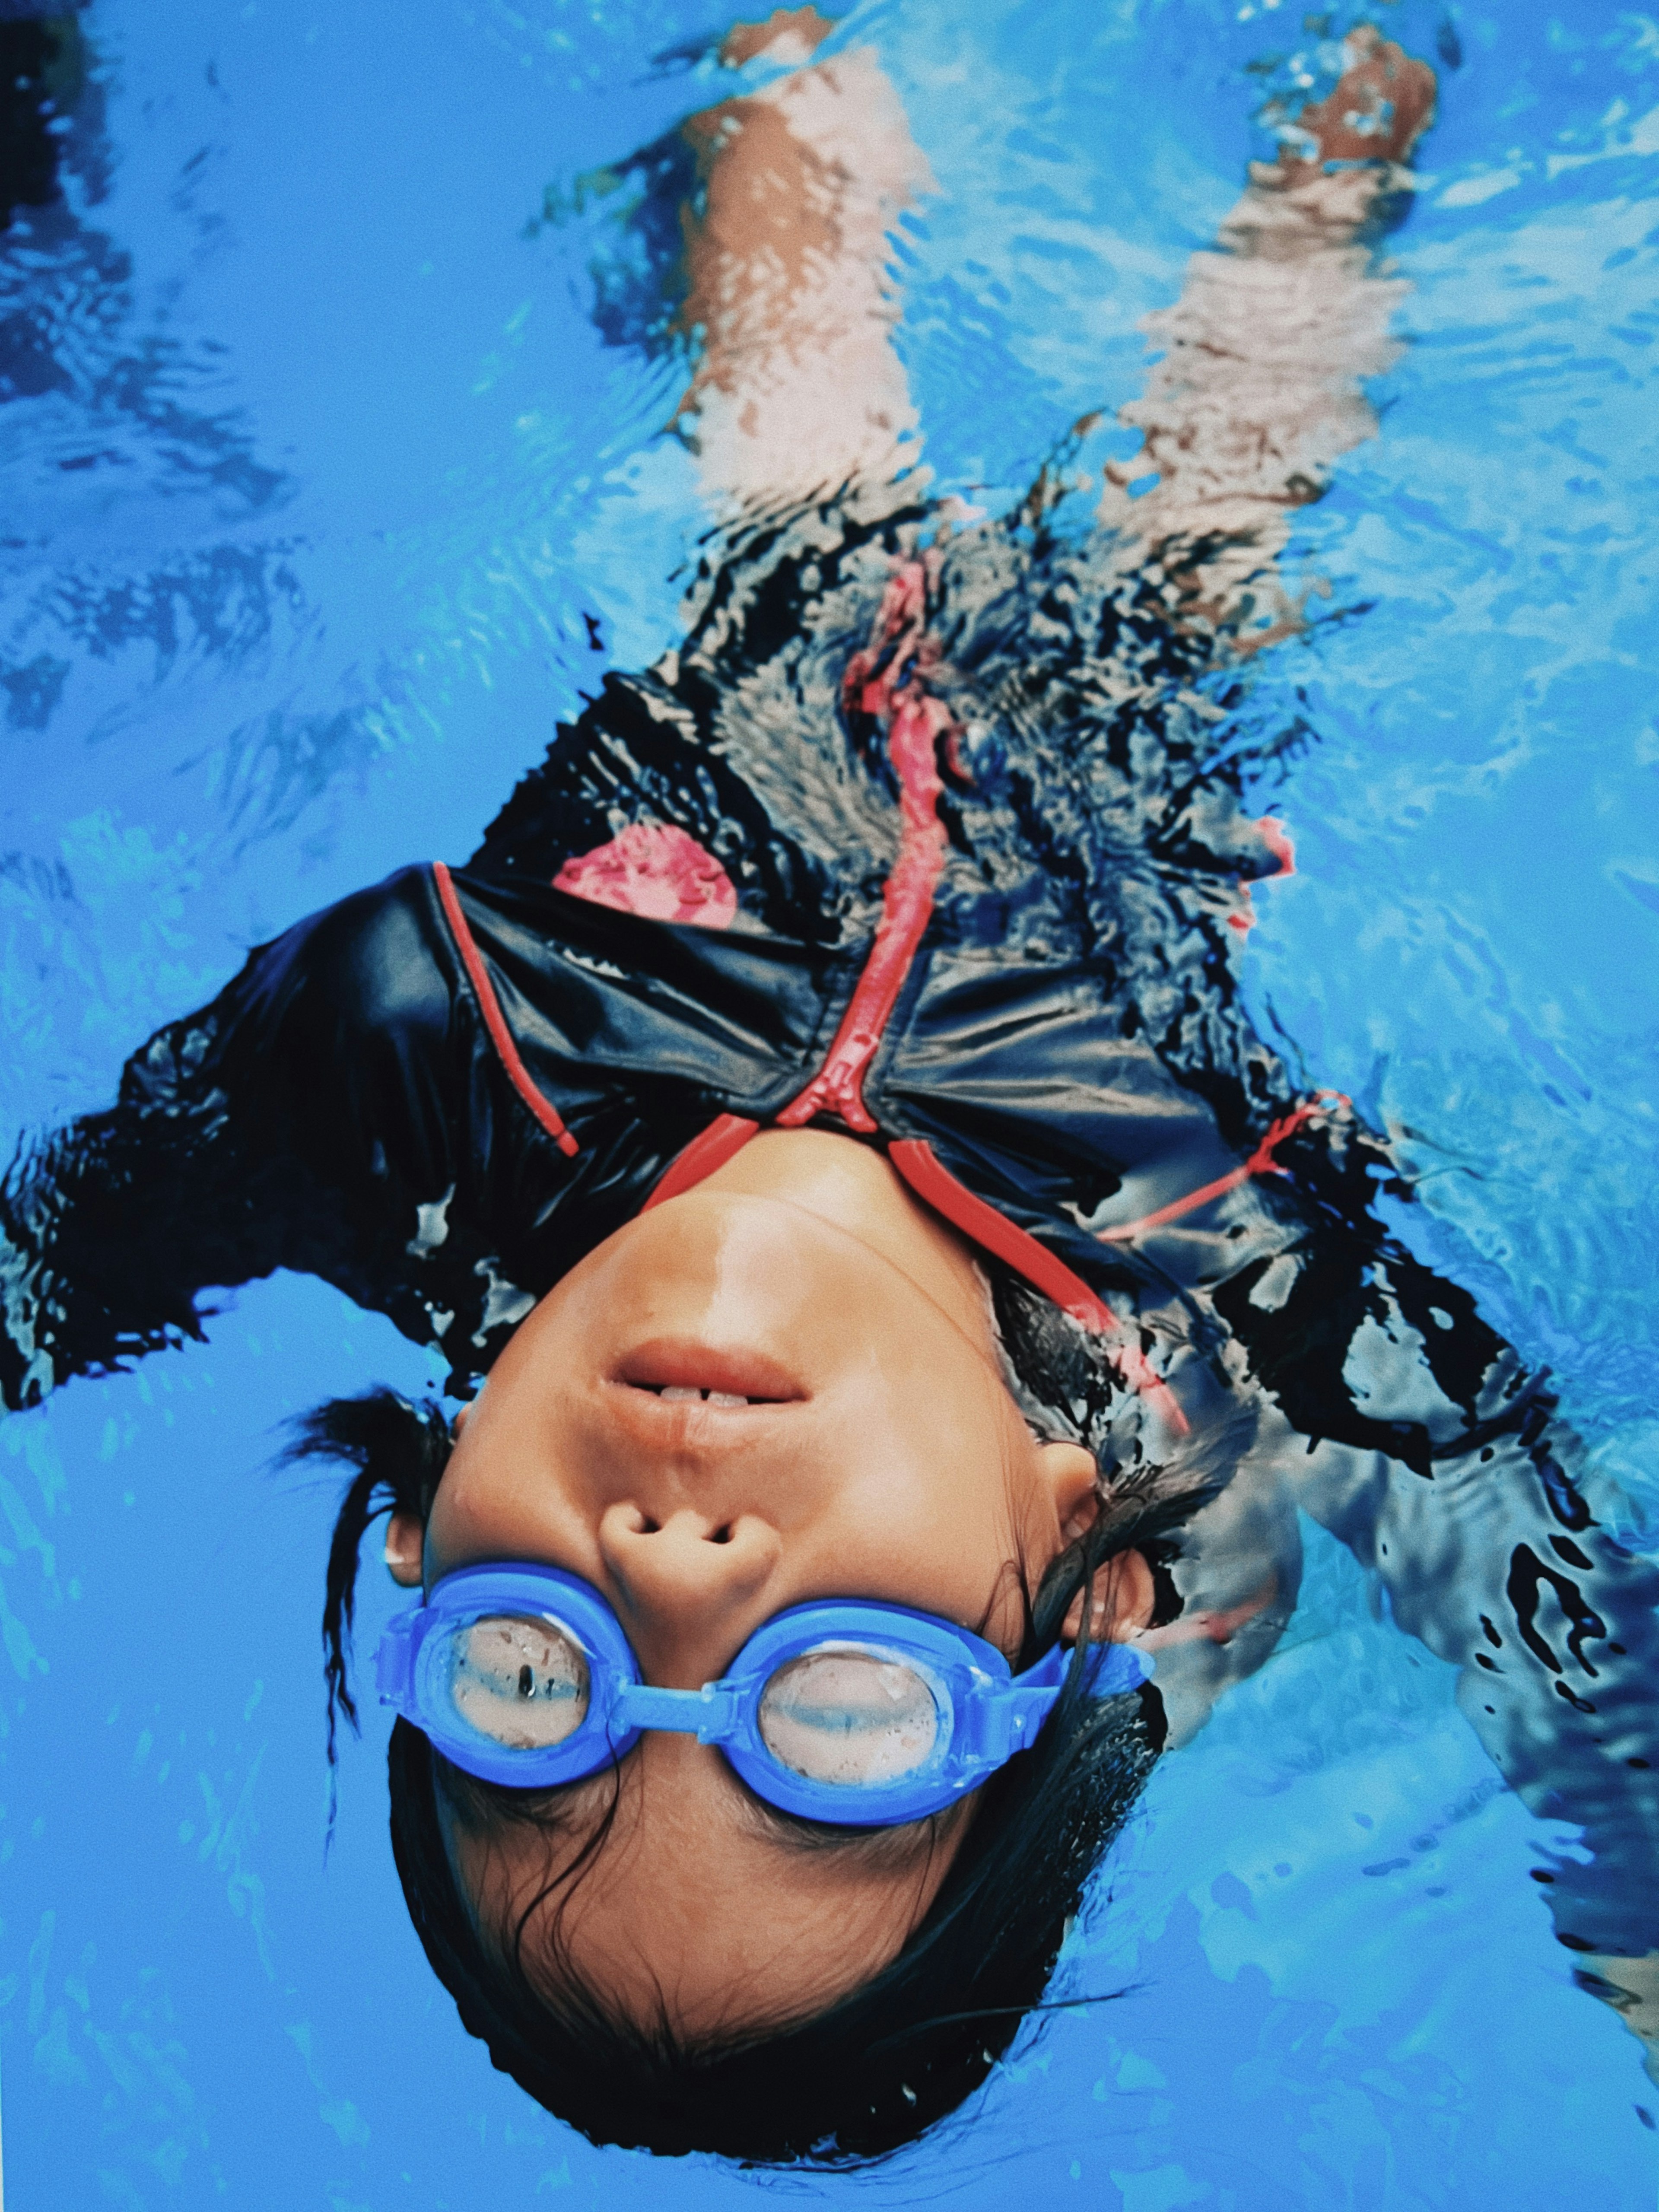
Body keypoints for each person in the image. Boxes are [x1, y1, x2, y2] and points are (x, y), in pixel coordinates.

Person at [4, 9, 1655, 2164]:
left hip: (768, 631)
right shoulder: (1231, 1256)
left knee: (777, 317)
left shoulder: (406, 1063)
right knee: (1231, 463)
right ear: (1081, 1581)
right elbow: (1583, 1698)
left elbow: (58, 1264)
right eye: (842, 1712)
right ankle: (1383, 70)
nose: (672, 1568)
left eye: (527, 1680)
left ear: (417, 1540)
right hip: (1131, 775)